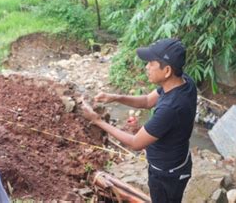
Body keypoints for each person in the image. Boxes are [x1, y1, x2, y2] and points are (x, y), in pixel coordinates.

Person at [82, 38, 197, 203]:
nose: (146, 67)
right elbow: (147, 101)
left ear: (167, 71)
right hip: (178, 161)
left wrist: (97, 121)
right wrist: (115, 97)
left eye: (151, 63)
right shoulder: (184, 82)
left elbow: (136, 143)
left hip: (166, 174)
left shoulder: (170, 108)